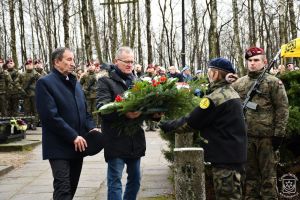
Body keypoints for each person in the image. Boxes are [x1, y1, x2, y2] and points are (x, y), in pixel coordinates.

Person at [159, 58, 247, 200]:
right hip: (234, 156)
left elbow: (192, 121)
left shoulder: (216, 97)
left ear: (215, 74)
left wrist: (165, 124)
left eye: (210, 71)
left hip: (226, 160)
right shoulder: (229, 92)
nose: (208, 74)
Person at [96, 46, 161, 200]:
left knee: (136, 180)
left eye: (132, 62)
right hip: (115, 139)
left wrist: (155, 114)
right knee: (115, 181)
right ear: (116, 61)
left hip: (134, 140)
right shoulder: (105, 82)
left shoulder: (137, 81)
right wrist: (124, 112)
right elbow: (101, 108)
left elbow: (145, 107)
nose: (129, 65)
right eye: (126, 61)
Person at [35, 47, 101, 200]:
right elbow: (50, 116)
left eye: (73, 60)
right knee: (63, 189)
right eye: (69, 59)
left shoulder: (76, 83)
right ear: (57, 62)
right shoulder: (44, 83)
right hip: (58, 146)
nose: (73, 63)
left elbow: (84, 112)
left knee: (71, 188)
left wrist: (91, 128)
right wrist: (73, 136)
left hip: (78, 145)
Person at [231, 47, 289, 199]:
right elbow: (227, 104)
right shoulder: (239, 84)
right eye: (249, 60)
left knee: (268, 178)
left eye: (256, 60)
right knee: (250, 178)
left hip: (267, 138)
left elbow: (282, 109)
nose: (252, 63)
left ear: (265, 62)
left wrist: (278, 134)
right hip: (247, 137)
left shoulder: (273, 83)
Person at [19, 59, 41, 129]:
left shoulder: (36, 74)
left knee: (35, 110)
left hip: (35, 94)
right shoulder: (22, 74)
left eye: (30, 65)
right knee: (27, 110)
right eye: (27, 65)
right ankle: (28, 123)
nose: (29, 66)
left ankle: (34, 123)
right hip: (26, 95)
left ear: (32, 65)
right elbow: (17, 83)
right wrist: (21, 90)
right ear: (25, 66)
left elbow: (41, 83)